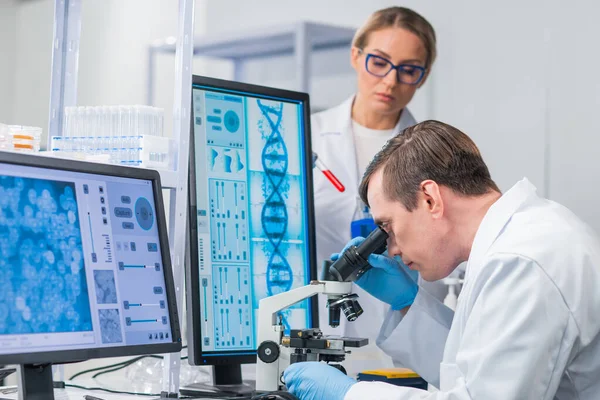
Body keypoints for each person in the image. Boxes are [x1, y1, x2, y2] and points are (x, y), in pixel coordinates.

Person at [285, 120, 600, 399]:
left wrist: (349, 395)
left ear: (430, 199)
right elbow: (473, 373)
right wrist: (407, 303)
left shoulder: (523, 260)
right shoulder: (518, 240)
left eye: (387, 227)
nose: (390, 248)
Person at [311, 6, 445, 373]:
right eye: (379, 62)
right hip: (313, 324)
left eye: (408, 69)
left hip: (399, 337)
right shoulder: (307, 137)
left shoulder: (438, 156)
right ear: (356, 56)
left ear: (423, 75)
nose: (390, 81)